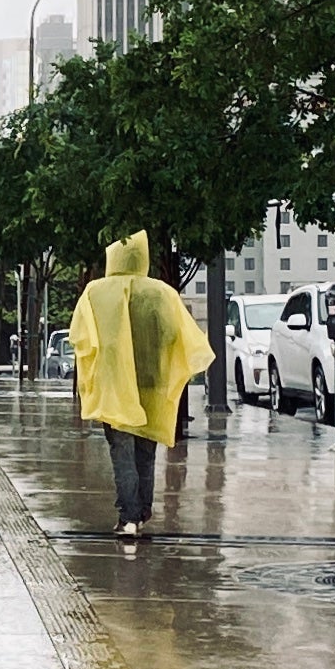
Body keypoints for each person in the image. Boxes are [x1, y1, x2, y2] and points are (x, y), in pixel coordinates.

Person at [68, 231, 213, 539]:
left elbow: (80, 336)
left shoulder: (95, 292)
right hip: (152, 383)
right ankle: (142, 511)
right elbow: (177, 334)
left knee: (121, 450)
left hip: (114, 385)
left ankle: (128, 516)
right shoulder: (162, 294)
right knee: (146, 450)